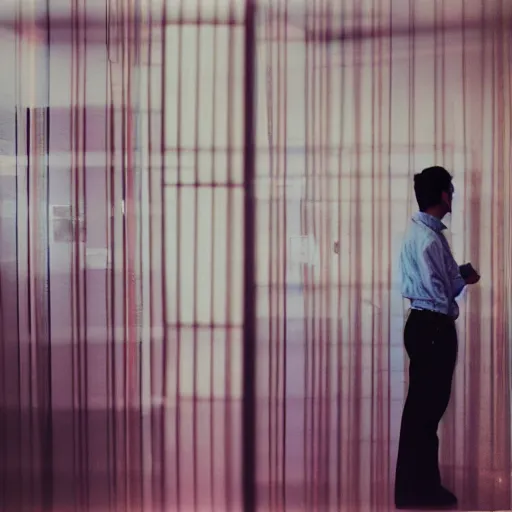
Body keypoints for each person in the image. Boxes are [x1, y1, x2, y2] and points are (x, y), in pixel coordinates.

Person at [394, 166, 480, 509]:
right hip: (433, 328)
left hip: (423, 325)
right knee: (426, 414)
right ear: (443, 194)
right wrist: (459, 280)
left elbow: (442, 281)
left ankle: (417, 489)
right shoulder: (429, 239)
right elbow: (441, 293)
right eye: (451, 190)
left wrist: (458, 276)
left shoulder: (421, 233)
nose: (453, 196)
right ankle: (421, 492)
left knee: (421, 413)